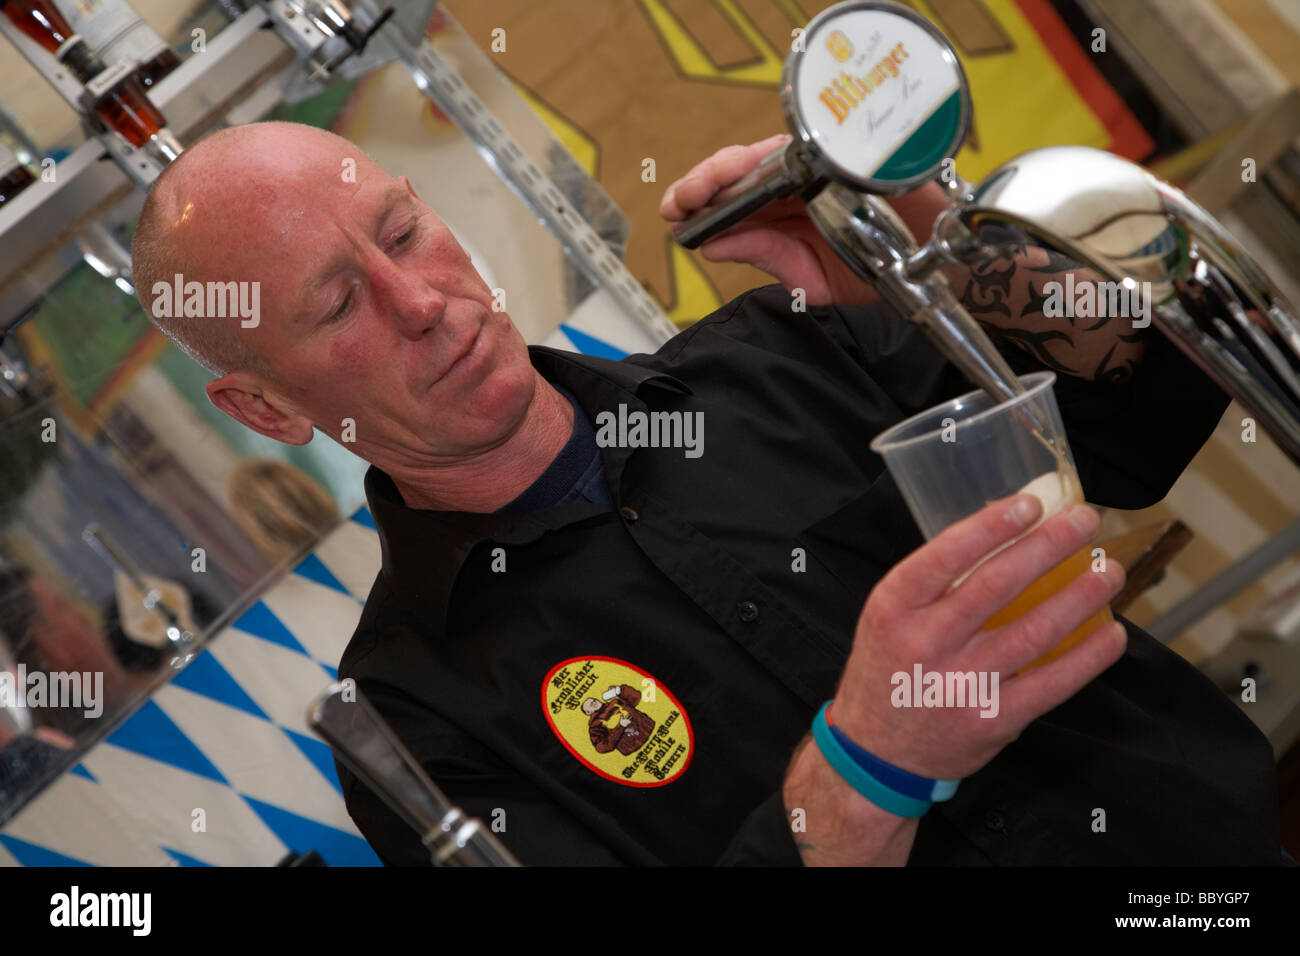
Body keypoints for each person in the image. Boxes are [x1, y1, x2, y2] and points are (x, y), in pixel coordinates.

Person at [128, 120, 1286, 866]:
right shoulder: (416, 722)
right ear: (266, 409)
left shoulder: (780, 349)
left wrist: (925, 240)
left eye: (403, 230)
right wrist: (863, 767)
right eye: (337, 306)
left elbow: (1158, 403)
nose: (422, 299)